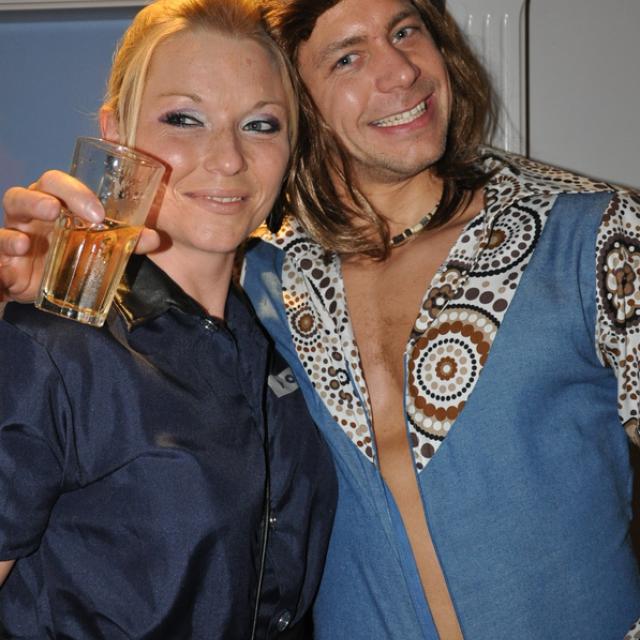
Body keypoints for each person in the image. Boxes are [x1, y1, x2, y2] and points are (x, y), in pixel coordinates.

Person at [1, 0, 640, 638]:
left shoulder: (590, 235)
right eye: (347, 57)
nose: (400, 71)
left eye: (406, 30)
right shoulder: (266, 276)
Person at [0, 0, 337, 638]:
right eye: (184, 118)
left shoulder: (286, 332)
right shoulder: (50, 344)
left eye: (261, 124)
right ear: (117, 134)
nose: (229, 158)